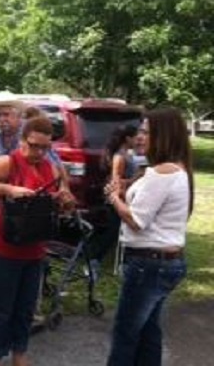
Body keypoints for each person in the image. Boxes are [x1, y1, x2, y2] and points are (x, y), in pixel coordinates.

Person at [0, 116, 72, 366]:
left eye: (44, 147)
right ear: (23, 140)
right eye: (33, 145)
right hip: (3, 249)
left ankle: (19, 354)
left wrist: (63, 201)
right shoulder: (8, 162)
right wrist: (8, 190)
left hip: (34, 250)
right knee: (1, 309)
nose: (38, 152)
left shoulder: (50, 167)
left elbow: (61, 199)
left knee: (25, 309)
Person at [105, 107, 193, 366]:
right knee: (148, 333)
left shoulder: (160, 172)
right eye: (140, 131)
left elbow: (137, 221)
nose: (140, 136)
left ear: (164, 135)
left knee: (125, 334)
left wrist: (114, 199)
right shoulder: (178, 169)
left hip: (148, 265)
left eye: (147, 131)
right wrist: (125, 190)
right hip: (165, 263)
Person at [87, 124, 138, 280]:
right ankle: (93, 261)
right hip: (117, 199)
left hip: (126, 197)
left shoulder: (128, 154)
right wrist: (134, 180)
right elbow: (116, 180)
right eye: (135, 137)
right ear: (128, 138)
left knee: (119, 232)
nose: (138, 140)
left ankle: (122, 264)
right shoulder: (119, 156)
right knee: (112, 232)